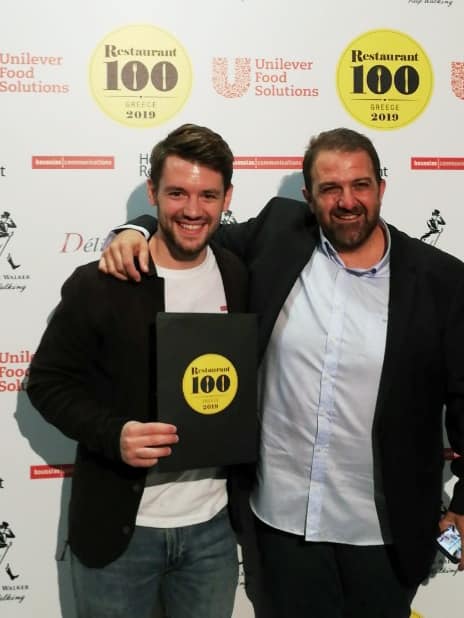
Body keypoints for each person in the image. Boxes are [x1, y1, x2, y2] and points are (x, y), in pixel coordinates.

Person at [99, 127, 464, 618]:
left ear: (381, 187)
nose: (347, 201)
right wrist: (136, 229)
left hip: (384, 534)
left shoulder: (441, 280)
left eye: (360, 185)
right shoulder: (277, 233)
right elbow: (192, 228)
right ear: (308, 197)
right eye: (330, 188)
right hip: (282, 528)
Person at [27, 124, 251, 618]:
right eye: (177, 193)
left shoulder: (237, 274)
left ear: (227, 198)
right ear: (153, 192)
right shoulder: (102, 282)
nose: (192, 210)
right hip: (120, 533)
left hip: (213, 531)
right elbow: (46, 383)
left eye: (208, 195)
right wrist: (114, 434)